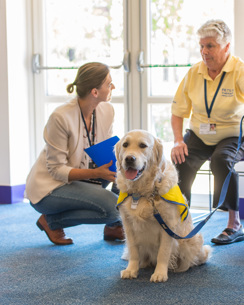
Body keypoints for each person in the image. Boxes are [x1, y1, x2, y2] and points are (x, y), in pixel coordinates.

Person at [25, 62, 124, 245]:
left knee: (126, 174)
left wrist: (125, 170)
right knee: (114, 208)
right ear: (95, 92)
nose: (113, 87)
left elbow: (105, 150)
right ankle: (51, 222)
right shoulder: (61, 117)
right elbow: (56, 170)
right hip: (50, 188)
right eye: (109, 84)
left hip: (82, 175)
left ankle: (114, 227)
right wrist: (96, 173)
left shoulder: (107, 110)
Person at [170, 20, 244, 245]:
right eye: (201, 46)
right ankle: (180, 220)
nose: (204, 52)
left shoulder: (238, 70)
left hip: (232, 135)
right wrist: (176, 141)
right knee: (180, 160)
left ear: (226, 47)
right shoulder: (195, 72)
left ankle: (234, 224)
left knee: (222, 160)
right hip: (199, 134)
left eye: (210, 46)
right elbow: (177, 111)